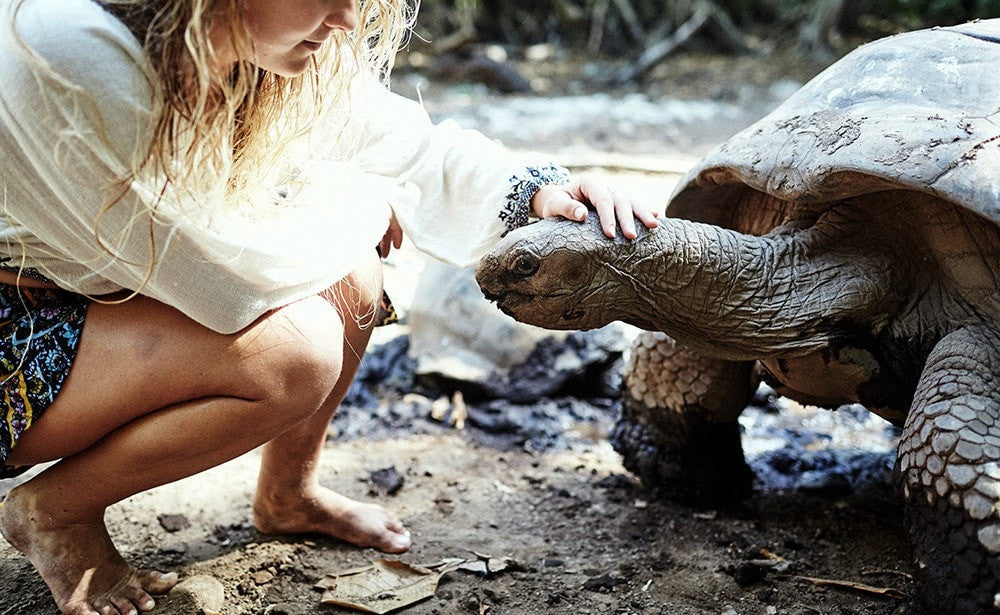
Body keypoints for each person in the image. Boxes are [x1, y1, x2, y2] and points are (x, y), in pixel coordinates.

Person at [0, 0, 660, 613]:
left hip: (97, 306)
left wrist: (547, 192)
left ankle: (288, 494)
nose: (347, 18)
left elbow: (408, 144)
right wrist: (368, 201)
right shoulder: (69, 48)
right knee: (295, 353)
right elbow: (224, 281)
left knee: (353, 276)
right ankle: (56, 511)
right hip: (17, 334)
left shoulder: (246, 48)